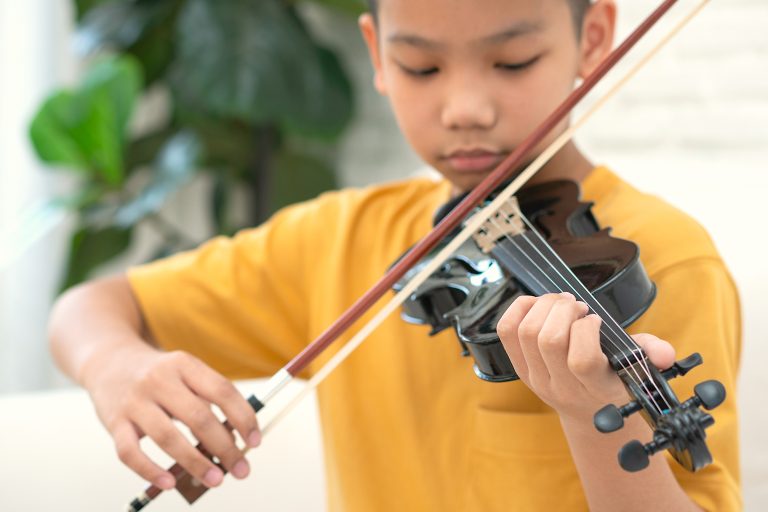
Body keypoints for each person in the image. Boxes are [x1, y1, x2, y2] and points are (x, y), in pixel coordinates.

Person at [48, 0, 741, 510]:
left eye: (512, 61)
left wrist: (591, 414)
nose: (464, 106)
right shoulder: (341, 238)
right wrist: (114, 364)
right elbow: (89, 308)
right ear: (377, 55)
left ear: (593, 41)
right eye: (421, 66)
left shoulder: (660, 262)